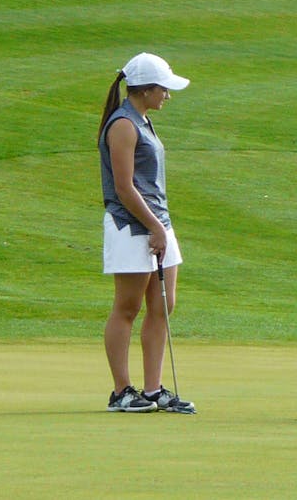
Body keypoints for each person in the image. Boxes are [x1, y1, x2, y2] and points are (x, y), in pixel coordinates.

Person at [99, 52, 196, 414]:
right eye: (164, 89)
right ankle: (121, 390)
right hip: (130, 226)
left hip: (158, 224)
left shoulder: (142, 120)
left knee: (163, 305)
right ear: (145, 90)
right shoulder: (123, 124)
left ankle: (153, 389)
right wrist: (155, 227)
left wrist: (161, 228)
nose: (167, 96)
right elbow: (124, 187)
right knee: (128, 306)